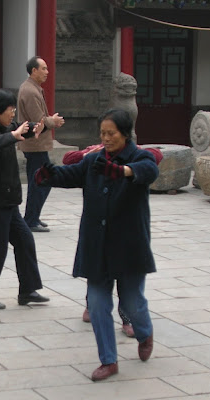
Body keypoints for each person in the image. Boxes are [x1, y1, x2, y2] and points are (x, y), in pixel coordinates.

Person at [34, 109, 158, 381]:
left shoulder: (140, 157)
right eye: (102, 133)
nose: (105, 138)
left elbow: (149, 171)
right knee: (99, 304)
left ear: (125, 133)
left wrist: (122, 171)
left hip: (129, 245)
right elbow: (72, 174)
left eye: (111, 133)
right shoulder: (94, 161)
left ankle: (145, 333)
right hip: (97, 245)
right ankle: (109, 361)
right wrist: (50, 175)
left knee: (133, 302)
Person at [64, 143, 163, 338]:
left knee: (127, 284)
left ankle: (129, 320)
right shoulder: (97, 152)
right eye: (105, 133)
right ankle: (93, 310)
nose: (109, 137)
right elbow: (68, 159)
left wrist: (126, 168)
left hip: (123, 230)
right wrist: (88, 154)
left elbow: (155, 157)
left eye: (113, 133)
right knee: (97, 278)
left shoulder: (137, 154)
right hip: (100, 227)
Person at [0, 89, 50, 310]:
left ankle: (27, 290)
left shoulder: (6, 125)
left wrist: (39, 126)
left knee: (25, 241)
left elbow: (21, 130)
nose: (12, 113)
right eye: (10, 110)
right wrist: (13, 136)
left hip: (9, 200)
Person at [17, 55, 65, 233]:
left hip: (36, 145)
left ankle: (32, 217)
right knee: (41, 180)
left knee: (39, 179)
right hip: (35, 144)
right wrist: (52, 121)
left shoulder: (32, 88)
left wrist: (50, 121)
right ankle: (31, 219)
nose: (47, 72)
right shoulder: (30, 91)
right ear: (34, 70)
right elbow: (39, 122)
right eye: (43, 68)